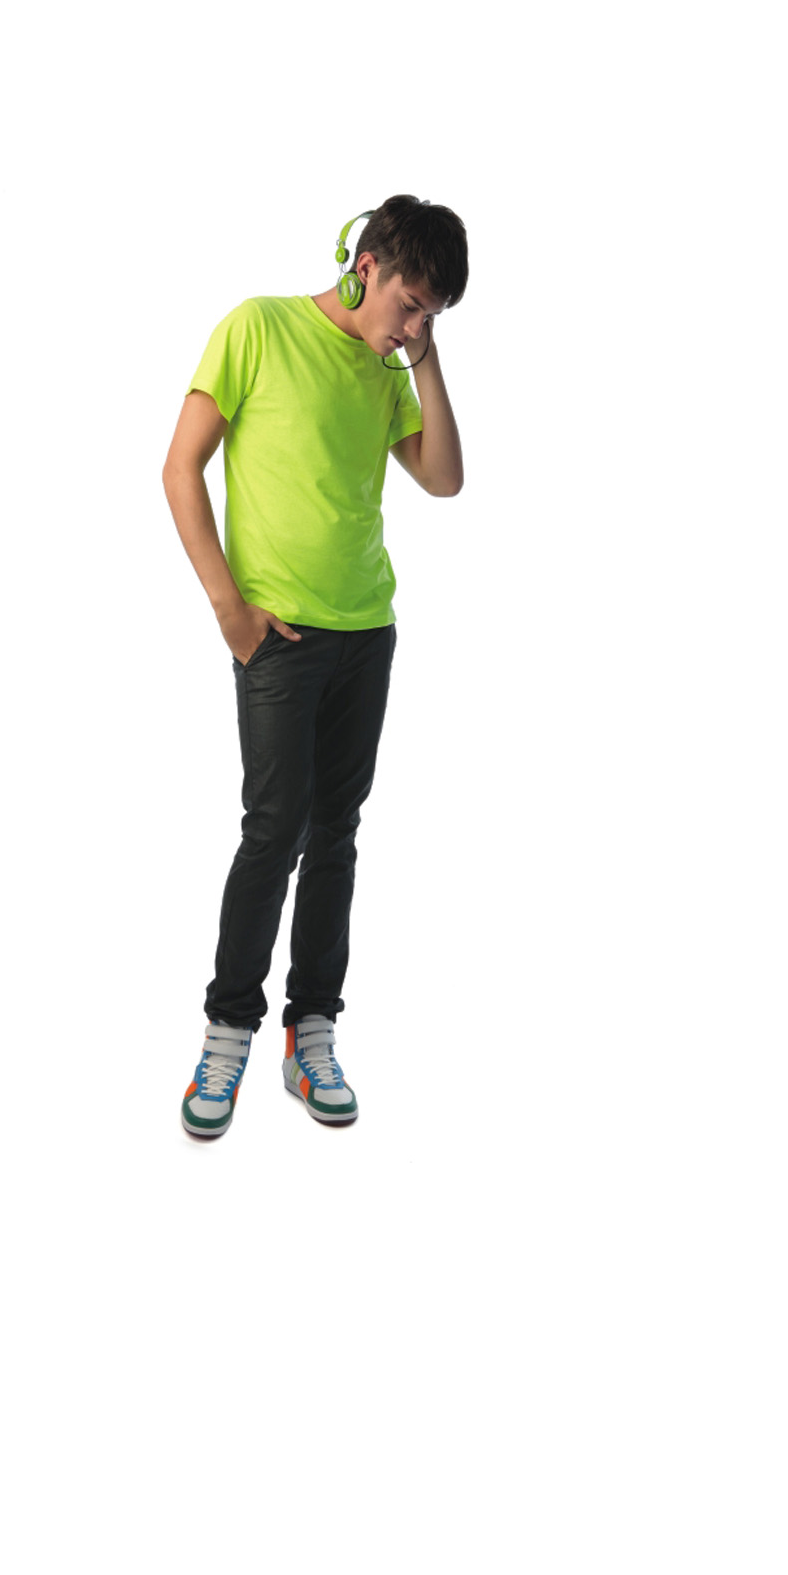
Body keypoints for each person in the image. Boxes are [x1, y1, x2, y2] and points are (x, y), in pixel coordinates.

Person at [161, 195, 468, 1140]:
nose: (410, 327)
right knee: (272, 834)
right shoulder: (258, 328)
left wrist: (424, 357)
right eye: (409, 304)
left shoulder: (388, 369)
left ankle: (313, 1032)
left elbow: (444, 477)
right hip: (278, 639)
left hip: (366, 633)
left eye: (430, 317)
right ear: (365, 266)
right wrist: (230, 611)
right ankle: (227, 1036)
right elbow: (180, 468)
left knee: (336, 834)